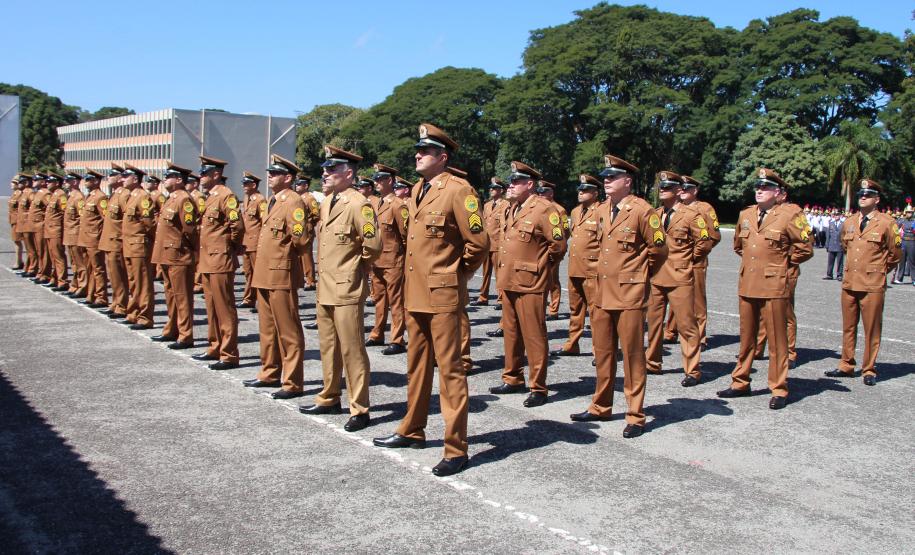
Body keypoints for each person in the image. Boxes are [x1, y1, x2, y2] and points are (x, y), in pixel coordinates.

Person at [373, 123, 488, 477]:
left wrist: (454, 275)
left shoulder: (459, 191)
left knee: (450, 371)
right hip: (415, 295)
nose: (417, 156)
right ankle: (412, 429)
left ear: (443, 157)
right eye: (417, 151)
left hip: (442, 295)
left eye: (424, 151)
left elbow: (479, 244)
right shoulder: (417, 191)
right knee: (417, 367)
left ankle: (456, 448)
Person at [569, 155, 664, 438]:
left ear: (628, 181)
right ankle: (601, 405)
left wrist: (639, 275)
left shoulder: (642, 211)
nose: (607, 181)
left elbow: (659, 250)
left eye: (612, 177)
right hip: (601, 293)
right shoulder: (601, 210)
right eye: (605, 177)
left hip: (628, 294)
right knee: (603, 353)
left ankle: (635, 414)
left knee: (633, 356)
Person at [299, 146, 382, 426]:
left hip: (346, 287)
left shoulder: (360, 204)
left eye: (332, 169)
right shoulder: (328, 202)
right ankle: (329, 397)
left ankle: (359, 408)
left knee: (352, 349)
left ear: (348, 173)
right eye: (325, 169)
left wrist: (357, 268)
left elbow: (373, 245)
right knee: (328, 346)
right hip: (325, 287)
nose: (325, 173)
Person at [717, 168, 813, 409]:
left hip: (774, 284)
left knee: (778, 340)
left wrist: (780, 264)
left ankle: (778, 388)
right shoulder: (746, 214)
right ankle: (740, 381)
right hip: (748, 283)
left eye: (766, 188)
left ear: (778, 193)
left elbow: (805, 247)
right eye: (758, 187)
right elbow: (739, 245)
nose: (760, 191)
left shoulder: (790, 215)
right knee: (746, 337)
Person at [489, 162, 567, 407]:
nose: (510, 186)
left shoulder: (544, 209)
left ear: (529, 185)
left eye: (516, 182)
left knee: (534, 335)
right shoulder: (509, 208)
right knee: (511, 333)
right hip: (509, 280)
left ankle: (538, 386)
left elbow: (558, 246)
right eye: (510, 182)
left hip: (531, 281)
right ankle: (512, 377)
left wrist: (541, 267)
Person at [243, 155, 313, 400]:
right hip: (264, 273)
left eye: (274, 173)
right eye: (270, 172)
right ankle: (269, 372)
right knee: (267, 328)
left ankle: (293, 381)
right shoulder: (273, 200)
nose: (270, 176)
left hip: (281, 273)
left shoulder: (293, 202)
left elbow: (301, 239)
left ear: (288, 178)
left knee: (288, 330)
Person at [826, 179, 901, 385]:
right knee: (848, 326)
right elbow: (844, 245)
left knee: (872, 328)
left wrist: (878, 271)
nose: (863, 197)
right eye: (860, 194)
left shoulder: (887, 222)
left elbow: (894, 254)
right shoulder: (849, 222)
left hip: (872, 284)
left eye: (867, 195)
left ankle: (869, 368)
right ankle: (846, 364)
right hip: (850, 282)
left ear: (876, 199)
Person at [645, 171, 712, 386]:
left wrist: (687, 260)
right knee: (653, 323)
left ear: (678, 191)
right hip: (656, 276)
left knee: (686, 324)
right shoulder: (655, 214)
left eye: (667, 188)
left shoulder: (691, 214)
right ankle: (652, 362)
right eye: (660, 188)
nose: (662, 191)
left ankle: (692, 370)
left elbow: (705, 241)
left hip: (680, 276)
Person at [190, 155, 244, 370]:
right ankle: (214, 346)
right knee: (211, 307)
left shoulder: (225, 195)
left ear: (216, 174)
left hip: (220, 258)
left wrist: (227, 247)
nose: (201, 176)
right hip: (208, 259)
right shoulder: (210, 196)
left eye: (205, 173)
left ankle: (229, 353)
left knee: (224, 307)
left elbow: (237, 227)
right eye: (201, 172)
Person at [664, 175, 721, 347]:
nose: (683, 191)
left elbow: (714, 236)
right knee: (674, 297)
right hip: (673, 262)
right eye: (682, 188)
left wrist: (694, 255)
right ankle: (671, 331)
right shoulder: (671, 208)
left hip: (695, 262)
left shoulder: (704, 208)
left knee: (696, 301)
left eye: (687, 189)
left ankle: (700, 336)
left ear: (695, 191)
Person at [551, 174, 601, 356]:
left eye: (585, 190)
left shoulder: (601, 212)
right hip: (575, 269)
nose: (581, 192)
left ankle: (600, 350)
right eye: (580, 189)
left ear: (595, 193)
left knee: (596, 314)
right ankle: (572, 344)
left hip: (593, 270)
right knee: (575, 310)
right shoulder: (575, 211)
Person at [150, 164, 198, 349]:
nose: (165, 178)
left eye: (169, 176)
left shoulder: (184, 200)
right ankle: (172, 329)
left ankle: (186, 335)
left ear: (179, 180)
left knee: (182, 296)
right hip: (166, 255)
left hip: (178, 255)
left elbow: (190, 230)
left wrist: (190, 250)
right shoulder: (171, 199)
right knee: (171, 296)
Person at [364, 163, 409, 355]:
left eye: (380, 179)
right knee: (379, 299)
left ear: (390, 181)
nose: (376, 182)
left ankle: (397, 339)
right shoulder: (375, 203)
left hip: (394, 261)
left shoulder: (399, 205)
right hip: (377, 261)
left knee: (396, 301)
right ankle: (377, 333)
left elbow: (406, 236)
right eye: (376, 179)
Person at [120, 164, 159, 329]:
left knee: (143, 283)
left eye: (125, 176)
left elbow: (149, 224)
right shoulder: (131, 196)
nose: (122, 179)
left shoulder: (143, 197)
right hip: (129, 245)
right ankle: (133, 313)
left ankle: (145, 317)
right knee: (133, 282)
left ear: (135, 179)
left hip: (139, 245)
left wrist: (149, 241)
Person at [99, 165, 131, 319]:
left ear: (119, 178)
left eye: (112, 175)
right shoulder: (114, 195)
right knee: (114, 275)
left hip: (117, 241)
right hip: (110, 241)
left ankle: (121, 305)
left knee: (120, 275)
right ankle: (116, 302)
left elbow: (127, 220)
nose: (108, 177)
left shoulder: (124, 195)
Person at [472, 178, 509, 307]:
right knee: (485, 272)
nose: (491, 190)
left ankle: (501, 298)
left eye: (494, 188)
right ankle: (483, 296)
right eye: (491, 188)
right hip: (487, 244)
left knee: (500, 273)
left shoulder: (505, 204)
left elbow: (506, 225)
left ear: (501, 190)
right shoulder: (487, 205)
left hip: (498, 244)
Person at [536, 179, 568, 320]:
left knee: (552, 280)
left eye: (544, 192)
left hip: (552, 249)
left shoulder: (559, 210)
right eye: (539, 192)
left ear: (551, 193)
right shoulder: (538, 208)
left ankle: (553, 309)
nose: (541, 194)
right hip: (538, 250)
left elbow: (565, 232)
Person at [77, 170, 109, 309]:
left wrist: (101, 237)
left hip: (94, 238)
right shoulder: (89, 196)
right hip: (85, 238)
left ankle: (101, 297)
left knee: (98, 269)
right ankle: (91, 295)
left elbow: (105, 218)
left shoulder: (100, 197)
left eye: (89, 179)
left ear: (96, 181)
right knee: (89, 268)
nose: (86, 181)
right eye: (86, 179)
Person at [238, 172, 267, 310]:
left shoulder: (260, 200)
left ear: (253, 185)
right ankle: (249, 298)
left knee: (258, 273)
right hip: (246, 242)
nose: (243, 186)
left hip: (255, 242)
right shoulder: (246, 198)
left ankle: (261, 301)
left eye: (246, 184)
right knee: (248, 272)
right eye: (243, 183)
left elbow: (264, 222)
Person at [43, 172, 69, 291]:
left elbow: (64, 213)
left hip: (56, 230)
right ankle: (55, 278)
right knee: (53, 256)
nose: (47, 183)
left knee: (58, 256)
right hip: (49, 230)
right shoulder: (53, 195)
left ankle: (62, 281)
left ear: (57, 183)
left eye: (50, 181)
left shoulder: (61, 195)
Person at [62, 172, 87, 298]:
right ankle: (75, 284)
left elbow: (83, 218)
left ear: (75, 182)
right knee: (74, 262)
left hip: (76, 234)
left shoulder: (79, 198)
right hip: (69, 234)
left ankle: (83, 286)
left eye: (68, 180)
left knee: (80, 262)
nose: (65, 182)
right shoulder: (70, 196)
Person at [295, 178, 320, 291]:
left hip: (306, 228)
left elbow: (316, 214)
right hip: (299, 229)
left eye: (300, 184)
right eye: (297, 184)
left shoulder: (310, 198)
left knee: (306, 256)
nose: (297, 186)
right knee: (299, 255)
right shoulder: (297, 198)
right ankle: (300, 279)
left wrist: (309, 224)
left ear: (306, 186)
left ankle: (310, 280)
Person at [28, 172, 52, 284]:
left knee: (43, 251)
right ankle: (40, 272)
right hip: (35, 226)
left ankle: (45, 274)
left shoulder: (45, 193)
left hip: (41, 226)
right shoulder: (38, 193)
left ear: (42, 182)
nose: (33, 182)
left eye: (36, 180)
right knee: (38, 250)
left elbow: (50, 209)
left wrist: (44, 222)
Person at [892, 201, 914, 284]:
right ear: (905, 213)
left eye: (910, 212)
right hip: (903, 242)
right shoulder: (902, 221)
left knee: (912, 262)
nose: (909, 214)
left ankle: (914, 279)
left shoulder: (914, 221)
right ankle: (899, 278)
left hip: (912, 242)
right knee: (901, 261)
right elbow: (894, 228)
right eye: (908, 212)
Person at [8, 176, 25, 270]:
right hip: (13, 220)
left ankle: (18, 262)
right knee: (16, 241)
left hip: (18, 221)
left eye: (14, 182)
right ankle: (19, 261)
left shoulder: (19, 194)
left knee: (17, 241)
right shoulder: (14, 194)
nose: (11, 184)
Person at [825, 209, 845, 281]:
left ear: (840, 216)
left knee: (840, 261)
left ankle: (839, 275)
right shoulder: (831, 223)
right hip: (831, 245)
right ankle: (829, 274)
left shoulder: (843, 224)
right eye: (835, 215)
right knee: (830, 261)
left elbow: (844, 235)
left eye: (838, 215)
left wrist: (844, 245)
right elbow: (828, 235)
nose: (836, 216)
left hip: (840, 245)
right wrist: (827, 245)